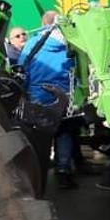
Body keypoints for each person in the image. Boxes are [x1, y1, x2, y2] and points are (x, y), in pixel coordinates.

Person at [18, 11, 77, 188]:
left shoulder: (33, 44)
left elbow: (22, 70)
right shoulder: (69, 44)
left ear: (43, 23)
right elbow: (76, 71)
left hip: (38, 95)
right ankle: (63, 171)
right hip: (64, 95)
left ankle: (37, 173)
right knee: (64, 132)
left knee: (39, 135)